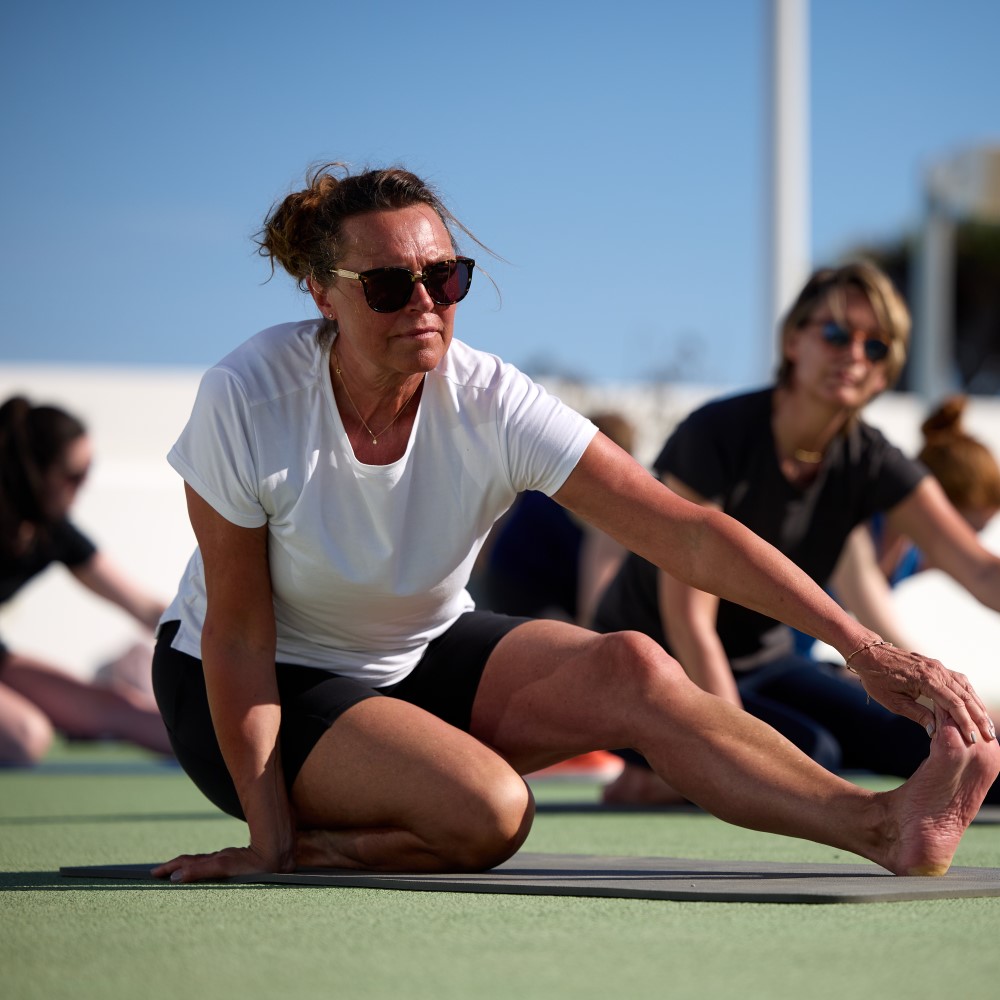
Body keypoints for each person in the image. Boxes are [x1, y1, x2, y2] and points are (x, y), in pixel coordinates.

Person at [150, 166, 997, 885]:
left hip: (418, 652)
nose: (425, 303)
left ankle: (881, 826)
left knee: (634, 665)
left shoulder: (490, 399)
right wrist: (268, 843)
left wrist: (863, 648)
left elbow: (687, 533)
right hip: (258, 685)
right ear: (323, 293)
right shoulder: (249, 397)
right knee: (490, 812)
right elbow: (238, 636)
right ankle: (314, 846)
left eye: (446, 277)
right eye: (388, 286)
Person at [593, 262, 1000, 806]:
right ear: (792, 341)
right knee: (808, 756)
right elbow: (690, 622)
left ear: (885, 371)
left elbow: (981, 569)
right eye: (835, 333)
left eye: (875, 346)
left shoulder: (870, 460)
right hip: (658, 664)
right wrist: (732, 755)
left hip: (767, 663)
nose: (854, 354)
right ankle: (661, 772)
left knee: (958, 750)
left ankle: (676, 773)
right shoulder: (717, 434)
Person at [0, 396, 172, 764]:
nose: (84, 486)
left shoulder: (49, 532)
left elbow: (144, 607)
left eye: (88, 472)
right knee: (24, 736)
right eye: (74, 476)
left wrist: (224, 640)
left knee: (135, 714)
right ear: (32, 472)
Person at [477, 411, 636, 626]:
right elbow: (596, 582)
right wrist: (588, 627)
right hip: (523, 585)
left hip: (509, 576)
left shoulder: (545, 478)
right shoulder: (597, 503)